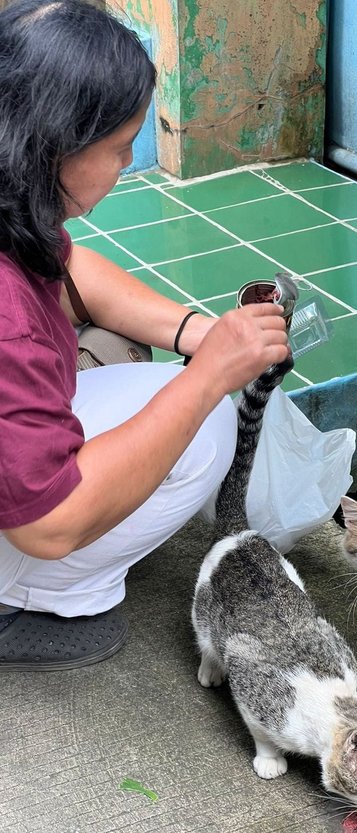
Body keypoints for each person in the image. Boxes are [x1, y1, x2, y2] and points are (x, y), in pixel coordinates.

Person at [0, 0, 289, 670]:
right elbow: (51, 522)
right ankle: (33, 607)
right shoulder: (7, 319)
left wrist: (199, 335)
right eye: (119, 147)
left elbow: (70, 267)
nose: (129, 164)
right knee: (204, 426)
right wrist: (210, 376)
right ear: (52, 144)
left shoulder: (14, 195)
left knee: (126, 354)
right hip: (35, 525)